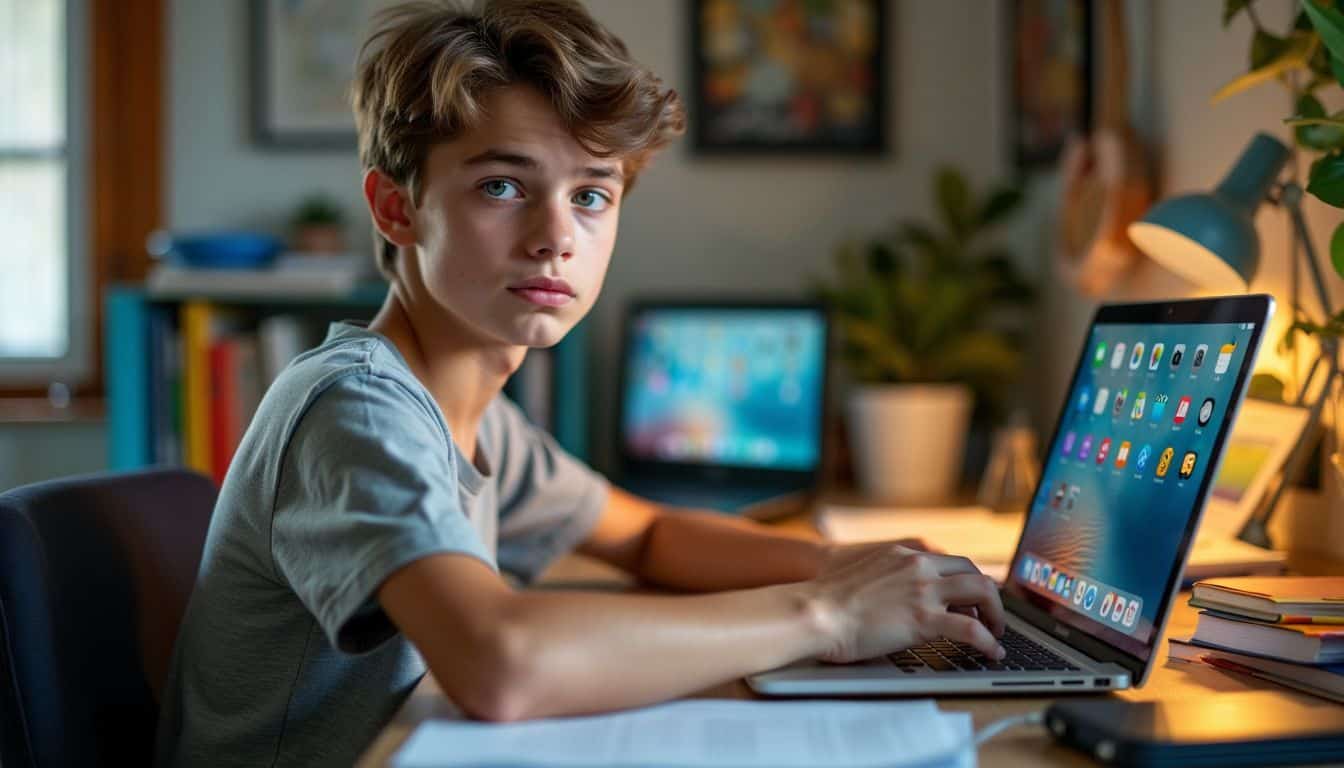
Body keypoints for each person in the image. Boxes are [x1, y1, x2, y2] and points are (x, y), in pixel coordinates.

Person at [155, 1, 1005, 765]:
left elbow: (649, 537)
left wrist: (856, 563)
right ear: (395, 208)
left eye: (592, 195)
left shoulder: (479, 420)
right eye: (501, 186)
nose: (556, 236)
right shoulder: (357, 407)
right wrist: (831, 613)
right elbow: (501, 662)